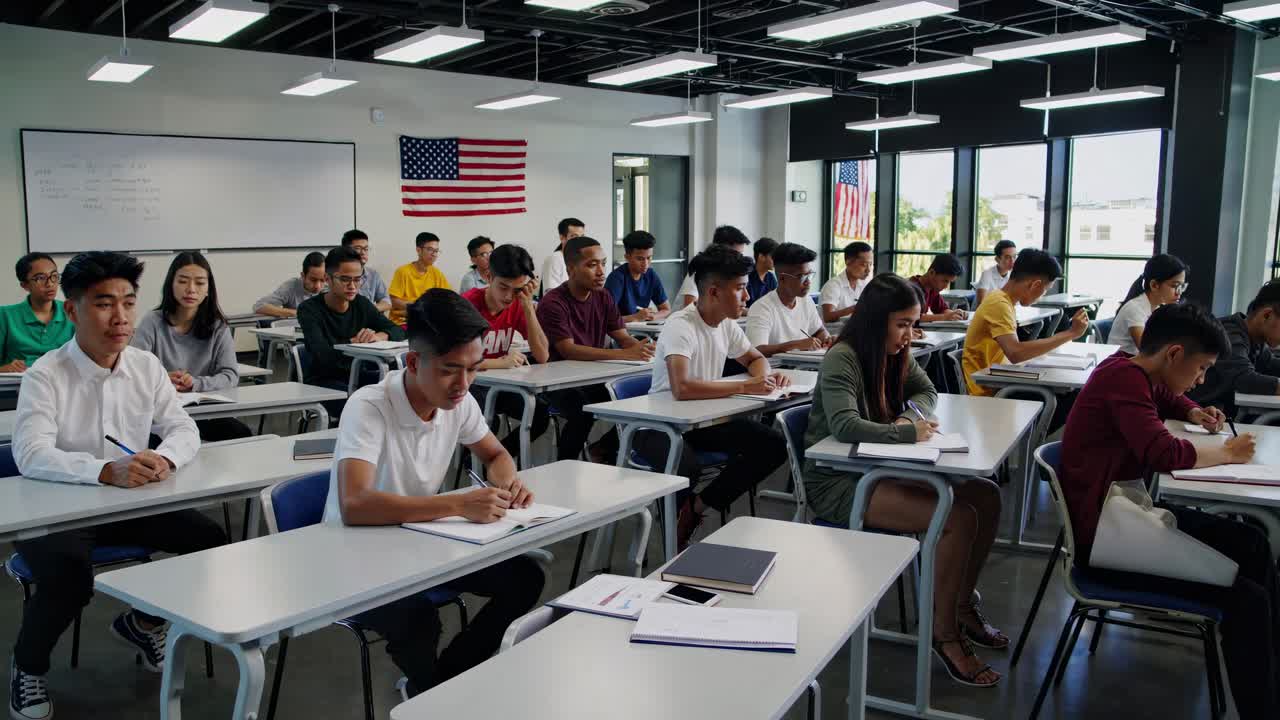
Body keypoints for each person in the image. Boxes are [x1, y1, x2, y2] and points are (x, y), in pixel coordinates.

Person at [8, 251, 227, 720]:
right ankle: (27, 667)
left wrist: (164, 459)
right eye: (104, 304)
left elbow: (183, 429)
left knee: (211, 540)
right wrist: (104, 471)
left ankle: (144, 624)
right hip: (59, 510)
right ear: (73, 310)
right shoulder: (46, 375)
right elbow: (30, 454)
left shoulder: (145, 366)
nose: (121, 317)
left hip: (131, 503)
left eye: (128, 302)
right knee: (68, 576)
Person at [1060, 302, 1279, 720]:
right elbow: (1160, 451)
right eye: (1201, 369)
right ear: (1174, 354)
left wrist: (1192, 408)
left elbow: (1167, 396)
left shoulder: (1132, 369)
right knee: (1247, 600)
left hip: (1125, 516)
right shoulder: (1123, 378)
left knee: (1253, 541)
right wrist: (1226, 452)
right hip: (1107, 538)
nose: (1201, 380)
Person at [327, 289, 544, 699]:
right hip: (358, 556)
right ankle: (431, 695)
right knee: (418, 618)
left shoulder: (456, 400)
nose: (463, 384)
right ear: (413, 362)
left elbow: (495, 452)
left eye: (473, 370)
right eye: (450, 370)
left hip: (423, 541)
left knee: (525, 577)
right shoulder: (369, 407)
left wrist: (506, 480)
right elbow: (354, 505)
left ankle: (440, 684)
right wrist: (459, 503)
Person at [804, 273, 1005, 688]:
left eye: (914, 324)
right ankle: (943, 632)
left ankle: (962, 605)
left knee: (985, 494)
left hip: (878, 467)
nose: (909, 334)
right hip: (840, 481)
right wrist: (905, 432)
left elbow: (927, 390)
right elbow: (844, 426)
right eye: (902, 324)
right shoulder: (844, 356)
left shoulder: (896, 351)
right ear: (876, 320)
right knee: (958, 518)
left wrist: (907, 417)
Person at [641, 244, 789, 550]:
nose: (747, 296)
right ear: (713, 292)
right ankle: (672, 543)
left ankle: (697, 507)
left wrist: (764, 376)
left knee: (773, 445)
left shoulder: (726, 325)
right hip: (661, 426)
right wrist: (746, 387)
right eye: (740, 289)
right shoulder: (681, 325)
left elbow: (754, 357)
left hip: (704, 421)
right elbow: (682, 388)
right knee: (687, 467)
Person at [536, 236, 654, 463]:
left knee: (642, 399)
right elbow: (568, 350)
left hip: (591, 376)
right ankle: (565, 466)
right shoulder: (553, 302)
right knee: (582, 411)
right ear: (571, 269)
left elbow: (621, 336)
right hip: (557, 382)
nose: (601, 271)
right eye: (592, 265)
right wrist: (623, 354)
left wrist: (645, 349)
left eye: (603, 263)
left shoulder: (603, 296)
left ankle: (603, 449)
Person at [131, 252, 249, 442]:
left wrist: (194, 383)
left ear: (208, 288)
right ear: (171, 284)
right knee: (156, 443)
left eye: (200, 283)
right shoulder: (152, 322)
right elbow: (134, 371)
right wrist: (162, 379)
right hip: (161, 412)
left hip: (204, 410)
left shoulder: (217, 326)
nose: (191, 289)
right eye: (183, 281)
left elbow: (230, 375)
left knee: (241, 435)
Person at [462, 244, 551, 459]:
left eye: (518, 289)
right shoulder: (467, 305)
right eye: (504, 287)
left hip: (499, 385)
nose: (510, 296)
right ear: (489, 277)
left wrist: (528, 305)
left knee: (539, 413)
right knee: (482, 414)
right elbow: (460, 360)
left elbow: (542, 355)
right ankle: (477, 461)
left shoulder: (519, 304)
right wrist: (501, 362)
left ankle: (497, 459)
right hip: (468, 385)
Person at [962, 249, 1089, 398]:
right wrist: (1071, 333)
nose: (1043, 296)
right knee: (1072, 397)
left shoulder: (1003, 300)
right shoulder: (999, 303)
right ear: (1035, 285)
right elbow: (1016, 352)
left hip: (999, 382)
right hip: (989, 391)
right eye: (1045, 290)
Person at [298, 247, 405, 393]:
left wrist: (378, 336)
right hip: (323, 382)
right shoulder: (309, 310)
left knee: (399, 390)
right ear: (327, 279)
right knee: (369, 401)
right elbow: (323, 356)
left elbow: (398, 330)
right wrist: (352, 344)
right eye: (345, 279)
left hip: (356, 375)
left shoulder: (361, 303)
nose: (352, 286)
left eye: (357, 279)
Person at [1189, 280, 1280, 415]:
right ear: (1267, 315)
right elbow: (1244, 379)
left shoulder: (1255, 340)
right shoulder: (1229, 333)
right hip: (1191, 414)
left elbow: (1270, 365)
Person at [745, 242, 831, 357]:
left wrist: (826, 339)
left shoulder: (806, 301)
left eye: (809, 275)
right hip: (774, 371)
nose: (808, 282)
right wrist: (795, 345)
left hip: (803, 367)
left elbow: (819, 330)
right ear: (782, 279)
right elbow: (757, 350)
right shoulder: (762, 308)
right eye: (801, 276)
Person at [0, 253, 73, 374]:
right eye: (40, 278)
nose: (50, 284)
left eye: (54, 276)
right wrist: (4, 369)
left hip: (62, 384)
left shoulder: (71, 310)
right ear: (25, 285)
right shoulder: (5, 316)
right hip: (17, 386)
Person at [1107, 253, 1188, 355]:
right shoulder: (1134, 308)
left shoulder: (1158, 308)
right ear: (1154, 285)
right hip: (1121, 363)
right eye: (1174, 286)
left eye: (1182, 286)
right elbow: (1148, 351)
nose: (1179, 292)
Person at [676, 225, 751, 310]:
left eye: (741, 255)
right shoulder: (702, 272)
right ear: (721, 249)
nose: (739, 259)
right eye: (737, 254)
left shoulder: (726, 273)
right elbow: (690, 308)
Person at [604, 230, 670, 323]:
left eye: (649, 258)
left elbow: (666, 309)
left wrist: (653, 316)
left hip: (642, 330)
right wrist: (635, 317)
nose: (645, 264)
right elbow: (606, 318)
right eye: (640, 259)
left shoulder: (651, 275)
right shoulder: (616, 278)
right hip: (621, 332)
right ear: (627, 257)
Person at [389, 232, 451, 326]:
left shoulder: (437, 273)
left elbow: (448, 298)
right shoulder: (403, 271)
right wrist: (417, 308)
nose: (434, 254)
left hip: (428, 320)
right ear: (418, 250)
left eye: (436, 251)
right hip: (403, 321)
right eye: (430, 249)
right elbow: (394, 301)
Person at [253, 251, 328, 319]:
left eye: (322, 280)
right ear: (303, 276)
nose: (317, 286)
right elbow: (259, 306)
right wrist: (296, 313)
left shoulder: (331, 285)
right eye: (313, 280)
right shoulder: (291, 287)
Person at [820, 241, 873, 324]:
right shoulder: (833, 285)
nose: (868, 270)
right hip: (834, 334)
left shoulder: (865, 284)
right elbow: (828, 317)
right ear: (848, 262)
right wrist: (856, 308)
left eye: (870, 264)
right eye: (864, 265)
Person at [341, 229, 392, 314]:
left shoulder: (373, 274)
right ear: (345, 250)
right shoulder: (337, 275)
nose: (363, 252)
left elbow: (387, 301)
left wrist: (369, 310)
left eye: (366, 249)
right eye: (358, 248)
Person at [909, 254, 967, 323]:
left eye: (949, 282)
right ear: (932, 273)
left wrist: (955, 314)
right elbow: (913, 317)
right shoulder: (911, 289)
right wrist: (945, 317)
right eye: (945, 281)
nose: (946, 286)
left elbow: (942, 309)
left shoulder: (932, 289)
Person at [540, 218, 585, 296]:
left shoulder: (581, 259)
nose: (580, 241)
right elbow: (551, 295)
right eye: (574, 237)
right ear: (562, 238)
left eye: (582, 237)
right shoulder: (554, 259)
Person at [974, 240, 1016, 306]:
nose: (1012, 261)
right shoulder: (987, 274)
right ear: (997, 259)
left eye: (1014, 256)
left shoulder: (1014, 276)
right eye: (1007, 257)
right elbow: (981, 303)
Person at [747, 237, 779, 307]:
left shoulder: (771, 277)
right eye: (773, 257)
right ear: (761, 257)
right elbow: (738, 308)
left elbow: (776, 302)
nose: (776, 261)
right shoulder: (746, 276)